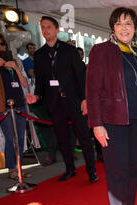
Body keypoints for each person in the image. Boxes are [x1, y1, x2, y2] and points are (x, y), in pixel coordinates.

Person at [86, 7, 137, 205]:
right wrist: (96, 123)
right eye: (119, 23)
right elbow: (92, 90)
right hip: (112, 121)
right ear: (112, 28)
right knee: (117, 171)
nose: (124, 28)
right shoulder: (102, 51)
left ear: (135, 28)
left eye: (128, 23)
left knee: (133, 169)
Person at [30, 16, 98, 183]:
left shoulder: (70, 51)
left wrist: (85, 99)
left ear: (57, 30)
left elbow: (81, 77)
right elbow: (40, 81)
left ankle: (91, 171)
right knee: (63, 139)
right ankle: (70, 169)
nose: (46, 30)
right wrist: (36, 95)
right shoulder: (39, 55)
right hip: (54, 103)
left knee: (83, 137)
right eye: (43, 27)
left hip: (74, 101)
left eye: (49, 27)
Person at [0, 32, 34, 180]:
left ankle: (19, 168)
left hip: (20, 104)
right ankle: (11, 168)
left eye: (2, 43)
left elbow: (25, 84)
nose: (0, 47)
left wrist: (15, 68)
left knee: (21, 137)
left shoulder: (16, 60)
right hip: (2, 107)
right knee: (10, 138)